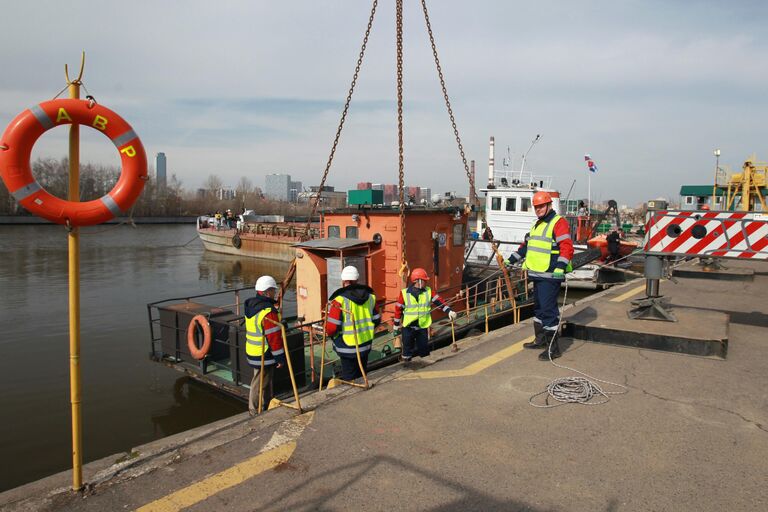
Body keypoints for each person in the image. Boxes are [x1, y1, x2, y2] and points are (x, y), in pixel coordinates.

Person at [506, 191, 573, 360]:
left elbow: (566, 246)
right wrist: (511, 259)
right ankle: (541, 340)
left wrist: (560, 267)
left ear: (549, 205)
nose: (538, 209)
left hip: (550, 275)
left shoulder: (558, 223)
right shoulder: (537, 224)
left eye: (541, 206)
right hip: (536, 274)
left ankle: (553, 348)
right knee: (538, 309)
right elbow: (527, 246)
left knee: (549, 310)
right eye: (536, 207)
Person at [325, 266, 381, 381]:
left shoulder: (339, 300)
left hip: (347, 347)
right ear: (357, 279)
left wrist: (331, 335)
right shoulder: (371, 297)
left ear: (344, 280)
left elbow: (331, 327)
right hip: (365, 344)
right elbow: (377, 320)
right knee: (362, 373)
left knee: (349, 378)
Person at [393, 268, 458, 363]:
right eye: (424, 280)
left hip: (422, 326)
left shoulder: (428, 291)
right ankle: (406, 365)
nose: (426, 282)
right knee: (407, 350)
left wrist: (449, 311)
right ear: (417, 281)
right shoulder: (404, 293)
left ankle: (425, 366)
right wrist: (396, 327)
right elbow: (398, 310)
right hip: (408, 327)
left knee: (423, 349)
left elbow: (439, 302)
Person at [244, 275, 286, 415]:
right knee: (260, 381)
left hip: (253, 350)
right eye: (273, 290)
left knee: (265, 379)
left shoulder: (251, 306)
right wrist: (280, 358)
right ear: (267, 292)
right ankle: (254, 409)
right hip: (264, 352)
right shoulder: (268, 312)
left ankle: (267, 403)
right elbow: (274, 338)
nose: (274, 293)